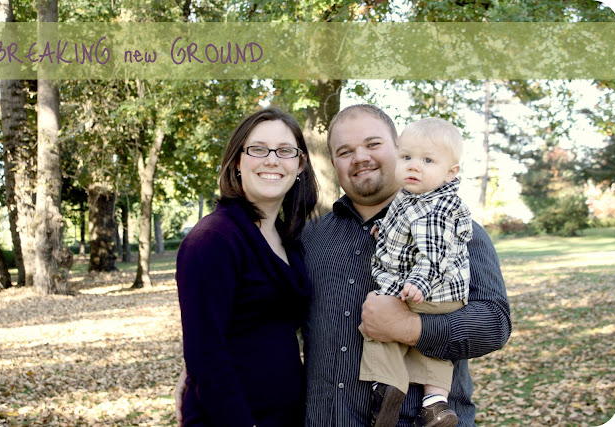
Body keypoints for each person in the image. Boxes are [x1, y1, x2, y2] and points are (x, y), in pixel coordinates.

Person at [175, 104, 511, 427]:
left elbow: (495, 322)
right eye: (345, 151)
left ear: (398, 149)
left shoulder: (450, 226)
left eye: (373, 144)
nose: (360, 157)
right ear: (332, 162)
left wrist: (411, 328)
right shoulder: (308, 238)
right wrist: (195, 369)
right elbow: (259, 314)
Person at [175, 107, 318, 427]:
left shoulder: (288, 239)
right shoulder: (213, 239)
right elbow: (206, 355)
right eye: (258, 149)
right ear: (237, 161)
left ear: (300, 165)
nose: (272, 160)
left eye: (285, 151)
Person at [359, 118, 473, 427]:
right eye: (407, 157)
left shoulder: (434, 208)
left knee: (378, 323)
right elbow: (405, 228)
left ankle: (387, 386)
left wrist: (419, 283)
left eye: (427, 160)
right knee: (432, 350)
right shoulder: (414, 198)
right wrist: (384, 229)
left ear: (451, 172)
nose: (414, 166)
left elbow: (434, 254)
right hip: (446, 298)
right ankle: (435, 405)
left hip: (428, 289)